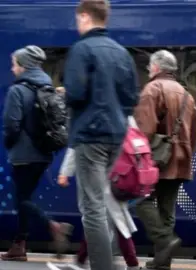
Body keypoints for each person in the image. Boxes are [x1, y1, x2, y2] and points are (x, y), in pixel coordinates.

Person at [63, 0, 139, 269]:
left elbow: (75, 93)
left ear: (84, 16)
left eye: (77, 18)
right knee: (103, 200)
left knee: (92, 207)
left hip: (90, 135)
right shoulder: (121, 53)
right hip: (116, 137)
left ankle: (101, 266)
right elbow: (131, 98)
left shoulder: (82, 50)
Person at [2, 45, 73, 261]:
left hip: (23, 154)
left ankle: (53, 226)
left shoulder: (17, 90)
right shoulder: (47, 87)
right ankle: (19, 245)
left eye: (14, 65)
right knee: (26, 197)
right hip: (44, 153)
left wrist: (10, 144)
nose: (13, 69)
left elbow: (11, 125)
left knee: (22, 199)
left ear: (23, 66)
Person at [134, 50, 196, 270]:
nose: (147, 70)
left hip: (157, 159)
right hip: (181, 159)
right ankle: (162, 263)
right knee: (167, 210)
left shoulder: (152, 89)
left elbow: (145, 130)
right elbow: (194, 134)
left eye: (149, 67)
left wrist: (137, 159)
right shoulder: (187, 95)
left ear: (156, 68)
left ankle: (164, 239)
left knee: (139, 199)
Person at [57, 118, 140, 270]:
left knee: (99, 217)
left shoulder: (91, 109)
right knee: (108, 219)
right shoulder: (123, 110)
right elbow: (135, 138)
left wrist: (65, 172)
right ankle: (81, 261)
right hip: (121, 174)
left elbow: (78, 143)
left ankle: (130, 263)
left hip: (101, 172)